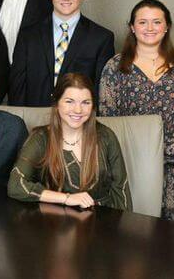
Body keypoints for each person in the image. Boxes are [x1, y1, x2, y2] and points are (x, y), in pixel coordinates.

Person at [99, 0, 174, 220]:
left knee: (169, 232)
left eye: (157, 22)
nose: (150, 28)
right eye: (143, 22)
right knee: (125, 225)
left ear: (167, 26)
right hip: (127, 163)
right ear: (132, 27)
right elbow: (108, 117)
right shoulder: (114, 67)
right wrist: (132, 156)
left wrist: (162, 156)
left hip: (171, 167)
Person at [9, 73, 132, 210]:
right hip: (56, 219)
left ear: (93, 106)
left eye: (85, 102)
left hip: (102, 218)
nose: (78, 110)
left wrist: (123, 223)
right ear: (56, 103)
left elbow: (121, 190)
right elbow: (16, 185)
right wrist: (66, 198)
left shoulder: (106, 136)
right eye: (69, 101)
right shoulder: (41, 138)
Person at [10, 0, 114, 107]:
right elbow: (17, 85)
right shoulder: (28, 35)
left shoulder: (101, 38)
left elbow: (100, 90)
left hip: (78, 115)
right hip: (33, 113)